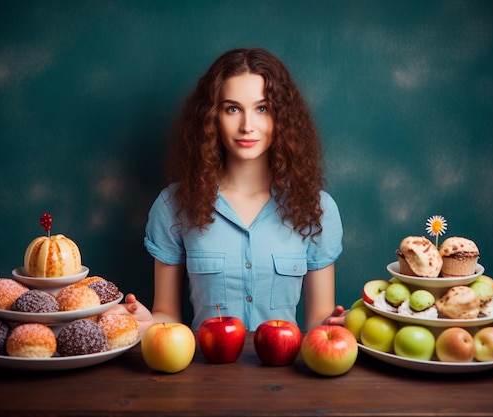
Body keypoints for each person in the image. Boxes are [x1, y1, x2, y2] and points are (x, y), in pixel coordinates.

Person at [105, 48, 346, 333]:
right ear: (212, 117)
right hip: (202, 373)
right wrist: (144, 323)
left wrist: (347, 324)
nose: (247, 126)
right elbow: (167, 315)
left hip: (284, 374)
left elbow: (320, 324)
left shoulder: (316, 208)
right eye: (233, 109)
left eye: (262, 108)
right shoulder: (173, 205)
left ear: (282, 117)